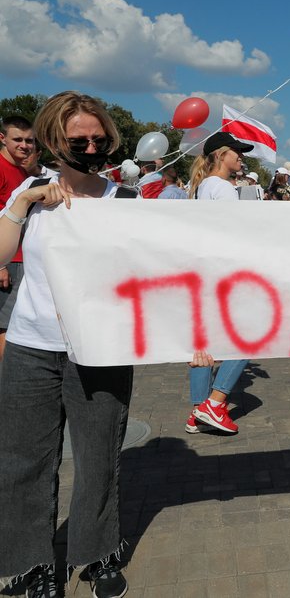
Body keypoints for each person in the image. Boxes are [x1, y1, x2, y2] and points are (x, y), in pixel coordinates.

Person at [0, 91, 134, 598]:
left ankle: (98, 554)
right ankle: (31, 563)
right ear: (55, 139)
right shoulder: (32, 192)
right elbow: (1, 252)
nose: (92, 145)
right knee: (21, 460)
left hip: (99, 349)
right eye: (80, 139)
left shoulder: (125, 201)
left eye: (99, 138)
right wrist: (22, 201)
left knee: (99, 455)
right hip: (32, 347)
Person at [184, 133, 256, 435]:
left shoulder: (200, 186)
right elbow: (232, 233)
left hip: (201, 272)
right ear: (221, 154)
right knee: (249, 336)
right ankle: (214, 403)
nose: (241, 157)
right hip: (224, 273)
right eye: (237, 152)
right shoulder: (224, 188)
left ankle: (198, 412)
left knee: (203, 345)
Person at [0, 115, 35, 361]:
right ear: (2, 138)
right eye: (18, 140)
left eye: (29, 140)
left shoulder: (22, 172)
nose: (24, 145)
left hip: (23, 258)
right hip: (9, 260)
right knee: (6, 327)